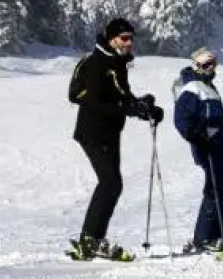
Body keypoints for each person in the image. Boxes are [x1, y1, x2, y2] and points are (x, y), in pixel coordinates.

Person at [65, 17, 163, 261]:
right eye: (124, 38)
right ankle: (90, 240)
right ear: (112, 40)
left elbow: (121, 95)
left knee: (112, 184)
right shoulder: (96, 63)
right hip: (93, 132)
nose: (129, 43)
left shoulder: (116, 62)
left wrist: (143, 107)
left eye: (131, 38)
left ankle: (92, 239)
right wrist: (129, 109)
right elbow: (92, 101)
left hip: (109, 131)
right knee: (110, 184)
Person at [173, 47, 223, 254]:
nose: (211, 69)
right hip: (207, 146)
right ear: (196, 65)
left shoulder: (208, 86)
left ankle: (219, 235)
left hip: (220, 144)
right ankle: (205, 237)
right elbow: (181, 120)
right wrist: (198, 136)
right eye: (206, 65)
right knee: (216, 188)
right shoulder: (192, 88)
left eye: (213, 64)